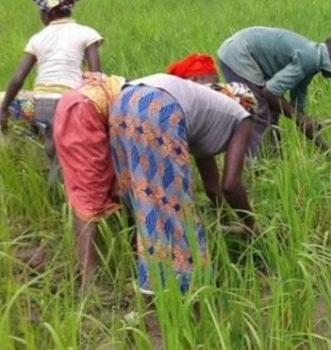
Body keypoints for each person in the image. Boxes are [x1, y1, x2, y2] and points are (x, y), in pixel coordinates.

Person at [109, 65, 256, 295]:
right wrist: (252, 226)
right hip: (160, 107)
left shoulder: (206, 110)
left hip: (123, 101)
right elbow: (230, 185)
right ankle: (186, 291)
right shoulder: (243, 117)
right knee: (174, 206)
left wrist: (222, 218)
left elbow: (212, 186)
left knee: (138, 195)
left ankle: (140, 269)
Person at [0, 0, 103, 184]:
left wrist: (3, 110)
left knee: (52, 148)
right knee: (65, 158)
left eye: (41, 12)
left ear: (49, 13)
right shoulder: (86, 33)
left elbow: (17, 79)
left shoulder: (38, 38)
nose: (40, 17)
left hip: (40, 106)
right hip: (69, 105)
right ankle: (61, 197)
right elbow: (96, 75)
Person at [216, 26, 331, 157]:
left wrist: (323, 145)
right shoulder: (310, 58)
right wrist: (300, 119)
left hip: (241, 51)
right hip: (239, 54)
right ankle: (258, 167)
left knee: (273, 111)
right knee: (258, 113)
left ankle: (273, 159)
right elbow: (269, 92)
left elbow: (298, 103)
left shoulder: (312, 59)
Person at [52, 72, 125, 291]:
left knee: (114, 180)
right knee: (89, 192)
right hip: (84, 112)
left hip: (82, 106)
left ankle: (120, 248)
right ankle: (88, 280)